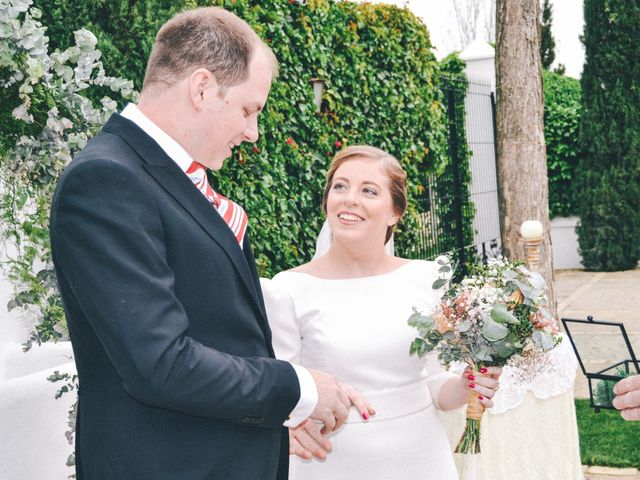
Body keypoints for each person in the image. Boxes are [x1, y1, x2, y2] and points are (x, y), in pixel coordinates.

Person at [49, 7, 355, 480]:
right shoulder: (106, 180)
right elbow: (161, 364)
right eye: (249, 110)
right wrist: (298, 388)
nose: (252, 133)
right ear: (202, 88)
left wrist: (270, 422)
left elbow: (219, 334)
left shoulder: (160, 177)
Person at [262, 145, 501, 479]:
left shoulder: (425, 279)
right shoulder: (287, 289)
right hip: (331, 464)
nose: (349, 199)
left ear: (394, 213)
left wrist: (467, 385)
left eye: (369, 191)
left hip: (420, 460)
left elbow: (436, 387)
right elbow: (282, 393)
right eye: (340, 186)